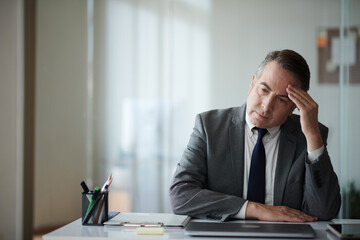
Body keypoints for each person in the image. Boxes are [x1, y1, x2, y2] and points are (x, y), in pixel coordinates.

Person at [169, 49, 341, 222]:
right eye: (264, 90)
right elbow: (180, 195)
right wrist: (254, 208)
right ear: (252, 84)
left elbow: (324, 211)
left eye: (281, 100)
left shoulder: (309, 135)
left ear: (294, 107)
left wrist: (312, 136)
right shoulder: (209, 127)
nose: (266, 106)